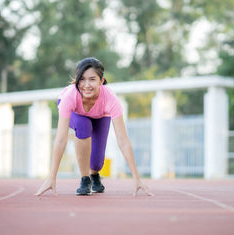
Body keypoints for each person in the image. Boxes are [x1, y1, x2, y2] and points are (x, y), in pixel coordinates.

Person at [35, 57, 154, 196]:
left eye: (92, 79)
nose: (86, 85)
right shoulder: (69, 97)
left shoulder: (110, 99)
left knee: (97, 163)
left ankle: (94, 175)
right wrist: (51, 177)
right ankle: (85, 179)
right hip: (76, 113)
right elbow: (61, 140)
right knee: (83, 125)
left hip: (100, 115)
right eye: (82, 79)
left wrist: (136, 178)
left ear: (101, 81)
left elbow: (123, 141)